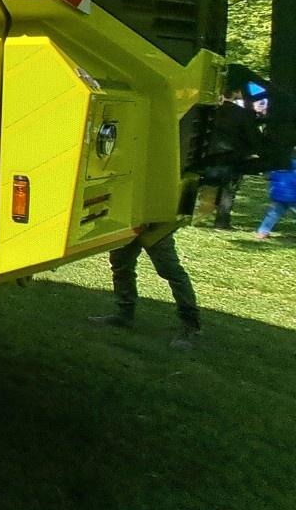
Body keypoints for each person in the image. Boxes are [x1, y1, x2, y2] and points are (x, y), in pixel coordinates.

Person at [89, 228, 202, 349]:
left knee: (170, 270)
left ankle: (190, 324)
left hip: (156, 223)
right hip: (128, 222)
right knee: (121, 266)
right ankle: (124, 315)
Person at [198, 94, 265, 228]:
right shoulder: (241, 114)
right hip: (232, 155)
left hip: (209, 152)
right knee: (228, 190)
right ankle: (222, 221)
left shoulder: (210, 109)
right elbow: (253, 137)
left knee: (207, 186)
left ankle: (199, 217)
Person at [254, 154, 296, 241]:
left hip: (278, 196)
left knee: (273, 214)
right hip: (293, 196)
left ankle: (262, 232)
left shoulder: (276, 167)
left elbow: (267, 176)